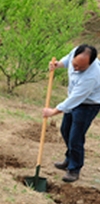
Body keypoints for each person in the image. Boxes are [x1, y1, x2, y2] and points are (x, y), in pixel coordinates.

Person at [43, 44, 100, 183]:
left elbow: (75, 99)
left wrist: (53, 111)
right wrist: (59, 64)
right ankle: (69, 159)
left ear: (91, 63)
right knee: (65, 130)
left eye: (81, 67)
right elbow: (68, 59)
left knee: (76, 137)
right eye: (75, 64)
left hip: (88, 105)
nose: (76, 68)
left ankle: (74, 169)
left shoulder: (91, 76)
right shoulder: (75, 52)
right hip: (74, 99)